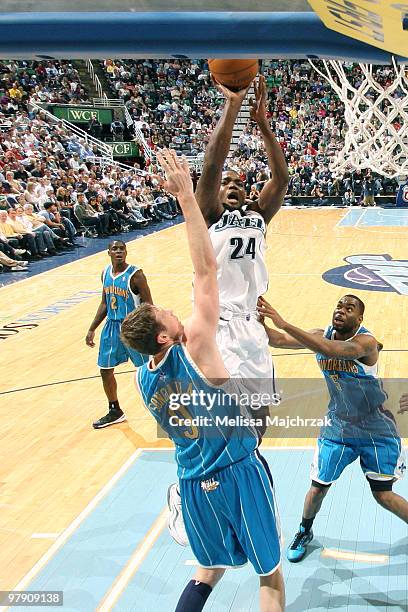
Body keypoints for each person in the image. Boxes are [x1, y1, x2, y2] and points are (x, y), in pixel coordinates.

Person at [120, 150, 285, 612]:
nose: (171, 309)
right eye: (165, 313)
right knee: (269, 577)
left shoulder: (142, 378)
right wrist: (188, 201)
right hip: (236, 472)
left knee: (207, 572)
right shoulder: (197, 349)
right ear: (164, 335)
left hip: (193, 482)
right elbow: (205, 270)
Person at [167, 76, 289, 544]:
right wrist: (235, 108)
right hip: (217, 327)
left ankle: (232, 487)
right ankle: (190, 489)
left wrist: (263, 125)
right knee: (225, 419)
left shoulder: (259, 216)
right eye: (229, 184)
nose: (234, 186)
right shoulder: (210, 214)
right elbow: (213, 167)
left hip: (252, 331)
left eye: (242, 183)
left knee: (256, 426)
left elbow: (281, 178)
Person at [257, 294, 408, 563]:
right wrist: (254, 321)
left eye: (350, 309)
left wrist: (283, 322)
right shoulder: (320, 335)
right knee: (317, 488)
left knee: (383, 495)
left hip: (376, 429)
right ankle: (304, 530)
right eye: (339, 305)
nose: (341, 310)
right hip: (339, 426)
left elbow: (332, 351)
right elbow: (276, 340)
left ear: (359, 319)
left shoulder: (366, 343)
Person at [85, 240, 152, 429]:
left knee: (148, 370)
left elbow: (148, 305)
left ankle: (164, 407)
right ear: (108, 253)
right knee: (105, 370)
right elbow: (105, 303)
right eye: (114, 249)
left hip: (133, 328)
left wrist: (148, 329)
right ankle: (115, 410)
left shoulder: (136, 275)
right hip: (111, 328)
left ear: (126, 252)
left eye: (122, 249)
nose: (118, 252)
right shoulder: (105, 273)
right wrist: (92, 328)